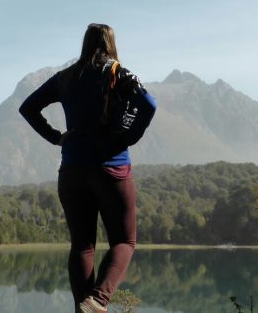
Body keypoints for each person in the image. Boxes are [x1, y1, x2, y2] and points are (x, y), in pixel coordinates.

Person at [19, 23, 157, 313]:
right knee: (125, 240)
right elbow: (149, 103)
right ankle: (98, 300)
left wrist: (56, 137)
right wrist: (129, 137)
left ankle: (83, 308)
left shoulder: (66, 77)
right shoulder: (119, 72)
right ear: (111, 43)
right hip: (112, 168)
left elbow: (28, 107)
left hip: (71, 170)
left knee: (82, 246)